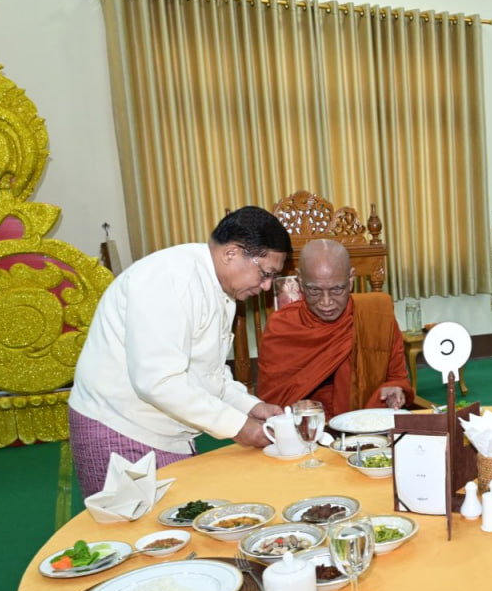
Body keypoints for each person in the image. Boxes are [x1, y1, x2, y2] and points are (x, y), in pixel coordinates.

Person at [68, 206, 291, 497]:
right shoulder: (169, 279)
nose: (266, 286)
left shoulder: (218, 287)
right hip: (120, 427)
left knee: (181, 516)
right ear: (232, 253)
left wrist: (250, 407)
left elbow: (206, 373)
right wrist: (239, 426)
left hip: (166, 430)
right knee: (135, 524)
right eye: (265, 274)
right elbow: (158, 382)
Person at [257, 239, 414, 416]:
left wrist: (395, 390)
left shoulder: (376, 315)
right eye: (315, 290)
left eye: (337, 289)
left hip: (367, 423)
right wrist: (296, 409)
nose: (326, 302)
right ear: (300, 280)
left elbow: (397, 379)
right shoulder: (282, 327)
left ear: (351, 278)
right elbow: (272, 403)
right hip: (309, 427)